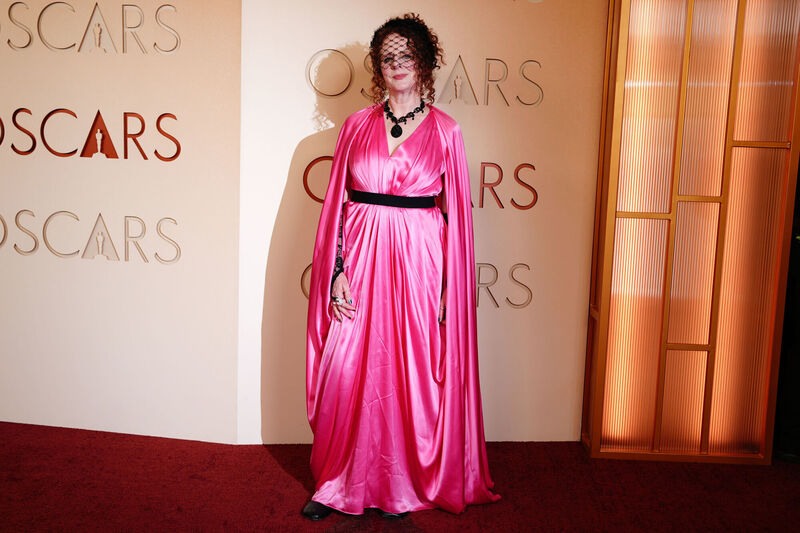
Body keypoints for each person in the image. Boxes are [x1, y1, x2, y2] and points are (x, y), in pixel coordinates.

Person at [304, 13, 501, 520]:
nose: (397, 65)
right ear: (378, 65)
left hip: (419, 263)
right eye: (388, 57)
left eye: (406, 55)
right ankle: (338, 483)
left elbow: (455, 217)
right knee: (349, 368)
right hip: (362, 260)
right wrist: (337, 271)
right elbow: (338, 209)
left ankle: (399, 487)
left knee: (407, 374)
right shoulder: (355, 126)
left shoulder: (446, 131)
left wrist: (446, 286)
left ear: (425, 64)